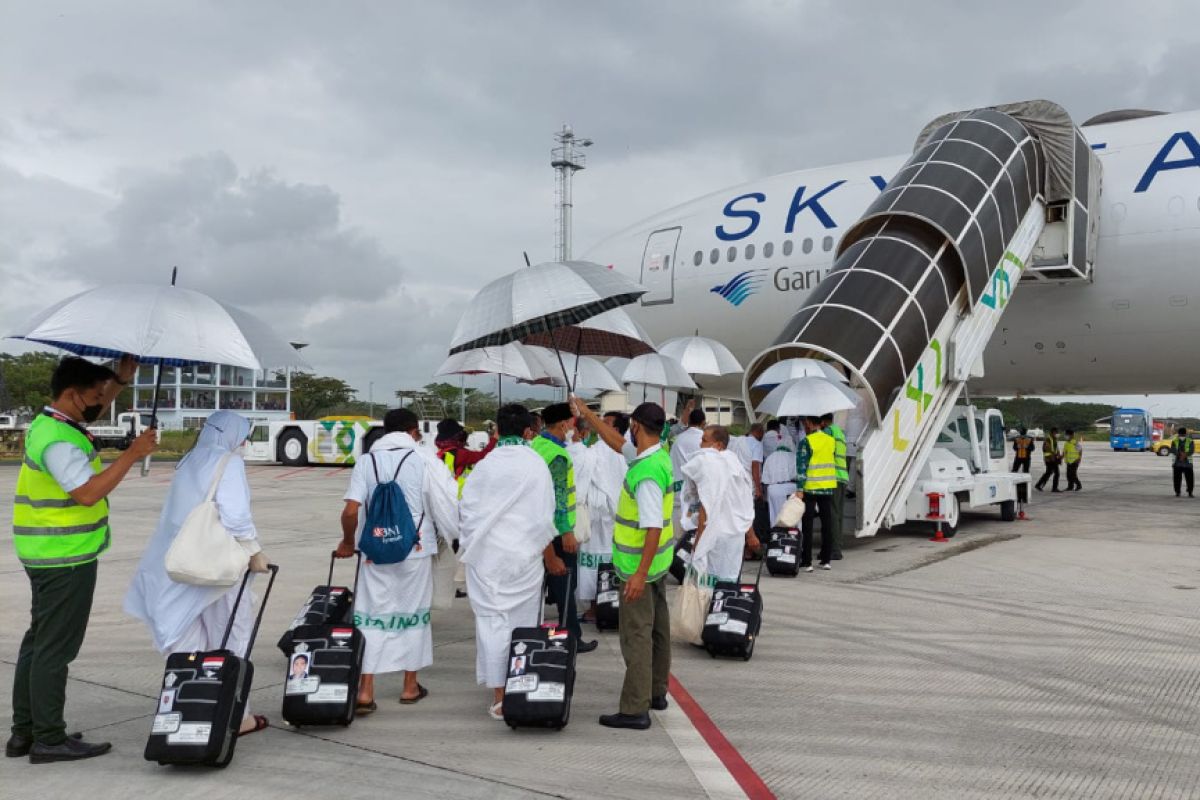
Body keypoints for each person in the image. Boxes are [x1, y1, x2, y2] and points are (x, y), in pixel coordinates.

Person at [8, 356, 157, 763]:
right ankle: (49, 739)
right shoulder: (58, 439)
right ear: (72, 394)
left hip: (47, 553)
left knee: (39, 644)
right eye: (93, 396)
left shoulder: (56, 423)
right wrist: (132, 452)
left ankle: (25, 732)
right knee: (55, 650)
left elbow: (100, 399)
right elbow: (87, 493)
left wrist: (121, 380)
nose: (100, 403)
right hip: (63, 558)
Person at [124, 411, 271, 737]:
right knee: (232, 635)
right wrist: (254, 549)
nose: (244, 443)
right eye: (243, 436)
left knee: (190, 643)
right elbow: (235, 516)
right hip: (217, 568)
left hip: (180, 565)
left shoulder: (188, 461)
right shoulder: (227, 462)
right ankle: (236, 714)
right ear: (233, 436)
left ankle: (191, 706)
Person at [335, 408, 459, 714]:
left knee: (370, 615)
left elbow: (350, 511)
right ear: (414, 432)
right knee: (413, 614)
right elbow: (444, 505)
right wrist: (454, 537)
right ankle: (409, 686)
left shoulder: (366, 461)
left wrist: (349, 542)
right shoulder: (423, 460)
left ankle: (366, 690)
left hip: (374, 552)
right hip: (414, 550)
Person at [572, 397, 673, 731]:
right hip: (657, 565)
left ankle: (634, 709)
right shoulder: (657, 455)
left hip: (638, 569)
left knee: (636, 636)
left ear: (637, 427)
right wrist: (588, 414)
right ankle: (656, 693)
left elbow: (653, 526)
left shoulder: (645, 474)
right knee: (658, 631)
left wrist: (638, 575)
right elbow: (617, 445)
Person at [458, 404, 556, 720]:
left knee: (491, 624)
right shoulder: (536, 465)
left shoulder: (485, 466)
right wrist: (550, 557)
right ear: (528, 432)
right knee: (523, 623)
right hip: (523, 558)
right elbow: (544, 518)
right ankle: (519, 685)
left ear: (497, 430)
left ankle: (499, 695)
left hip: (486, 559)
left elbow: (467, 512)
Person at [529, 403, 598, 653]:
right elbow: (558, 497)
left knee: (541, 586)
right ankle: (571, 638)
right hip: (557, 531)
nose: (572, 427)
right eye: (570, 422)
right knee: (566, 586)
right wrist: (567, 531)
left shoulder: (537, 446)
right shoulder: (558, 455)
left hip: (537, 530)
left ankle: (536, 633)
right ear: (562, 425)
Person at [682, 426, 756, 587]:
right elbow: (743, 506)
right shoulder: (736, 466)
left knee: (706, 590)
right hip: (734, 537)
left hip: (714, 536)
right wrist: (750, 534)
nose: (700, 444)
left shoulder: (709, 466)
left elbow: (706, 509)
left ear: (718, 445)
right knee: (728, 586)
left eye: (704, 440)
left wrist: (698, 542)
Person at [577, 412, 629, 618]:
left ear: (615, 430)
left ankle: (609, 604)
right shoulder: (593, 450)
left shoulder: (624, 452)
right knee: (592, 559)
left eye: (605, 424)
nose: (599, 426)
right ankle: (593, 605)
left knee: (609, 559)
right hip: (595, 515)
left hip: (614, 516)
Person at [796, 416, 837, 571]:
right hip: (827, 487)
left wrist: (800, 488)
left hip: (811, 487)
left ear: (809, 423)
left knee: (808, 525)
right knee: (827, 524)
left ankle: (807, 562)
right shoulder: (830, 440)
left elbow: (802, 467)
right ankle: (826, 560)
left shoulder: (806, 442)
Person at [434, 418, 495, 498]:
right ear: (455, 436)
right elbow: (484, 455)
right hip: (458, 500)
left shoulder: (440, 453)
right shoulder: (460, 454)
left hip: (446, 498)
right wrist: (495, 438)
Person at [669, 407, 705, 534]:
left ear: (689, 421)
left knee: (678, 541)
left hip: (678, 493)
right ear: (703, 423)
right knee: (696, 539)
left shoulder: (677, 440)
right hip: (699, 497)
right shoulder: (705, 440)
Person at [820, 413, 848, 560]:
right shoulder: (840, 433)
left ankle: (835, 549)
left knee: (832, 514)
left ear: (823, 422)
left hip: (834, 477)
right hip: (842, 477)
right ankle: (837, 545)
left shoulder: (828, 432)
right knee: (838, 514)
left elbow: (823, 450)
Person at [761, 435, 798, 525]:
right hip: (790, 489)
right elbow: (798, 476)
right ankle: (794, 535)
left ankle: (776, 535)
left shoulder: (770, 457)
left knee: (775, 515)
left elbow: (765, 480)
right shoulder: (794, 457)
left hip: (774, 489)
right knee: (793, 516)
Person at [1035, 427, 1062, 492]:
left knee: (1049, 473)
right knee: (1056, 473)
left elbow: (1056, 448)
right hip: (1049, 458)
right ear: (1052, 432)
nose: (1056, 434)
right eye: (1056, 433)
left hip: (1053, 458)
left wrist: (1058, 454)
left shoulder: (1054, 439)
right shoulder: (1048, 439)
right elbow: (1047, 448)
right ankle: (1054, 488)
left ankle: (1039, 485)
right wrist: (1054, 455)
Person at [1170, 427, 1195, 497]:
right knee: (1190, 479)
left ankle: (1178, 492)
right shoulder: (1190, 441)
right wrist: (1184, 455)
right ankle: (1190, 493)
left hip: (1177, 463)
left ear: (1178, 433)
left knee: (1177, 479)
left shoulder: (1174, 440)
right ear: (1186, 433)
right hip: (1188, 464)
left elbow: (1172, 450)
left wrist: (1181, 455)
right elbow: (1192, 450)